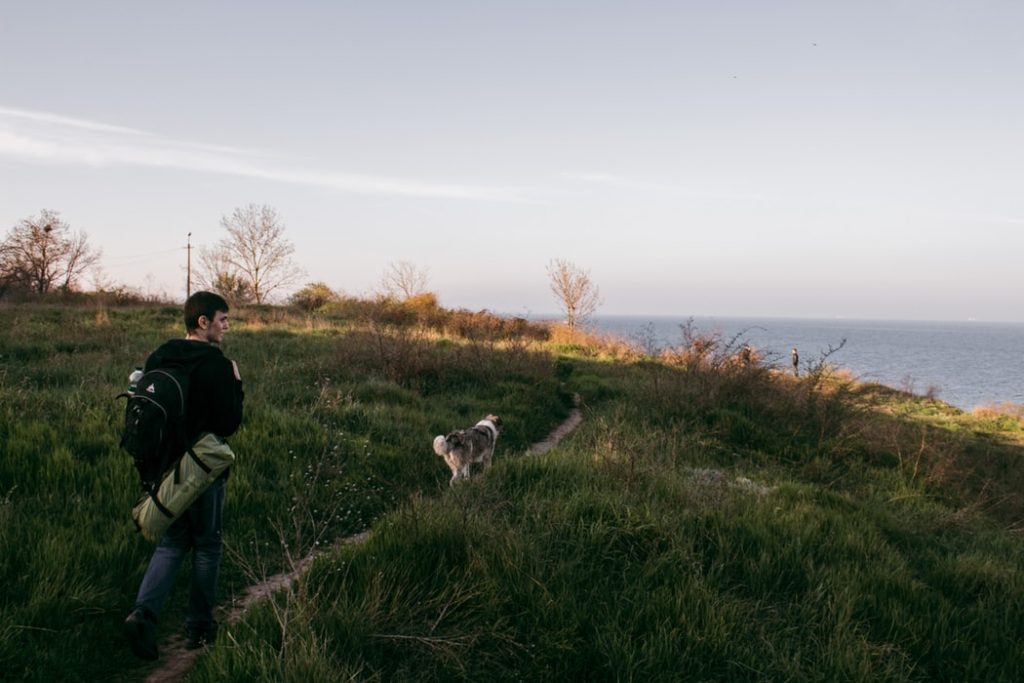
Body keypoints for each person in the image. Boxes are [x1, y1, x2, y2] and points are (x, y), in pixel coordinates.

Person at [124, 291, 244, 660]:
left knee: (173, 543)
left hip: (163, 471)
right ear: (203, 322)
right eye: (222, 320)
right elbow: (229, 423)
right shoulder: (217, 365)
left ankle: (143, 613)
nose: (226, 327)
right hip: (202, 471)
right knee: (207, 545)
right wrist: (236, 384)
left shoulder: (160, 354)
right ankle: (199, 628)